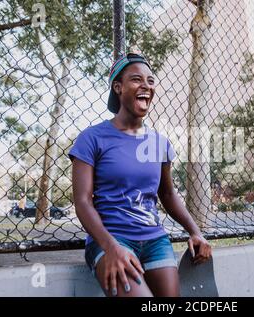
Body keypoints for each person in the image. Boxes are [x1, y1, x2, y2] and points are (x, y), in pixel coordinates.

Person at [69, 53, 212, 297]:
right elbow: (82, 201)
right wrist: (110, 247)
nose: (146, 85)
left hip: (155, 240)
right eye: (136, 79)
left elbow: (167, 194)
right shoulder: (92, 138)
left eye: (150, 81)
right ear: (118, 87)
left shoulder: (160, 143)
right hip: (111, 239)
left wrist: (195, 231)